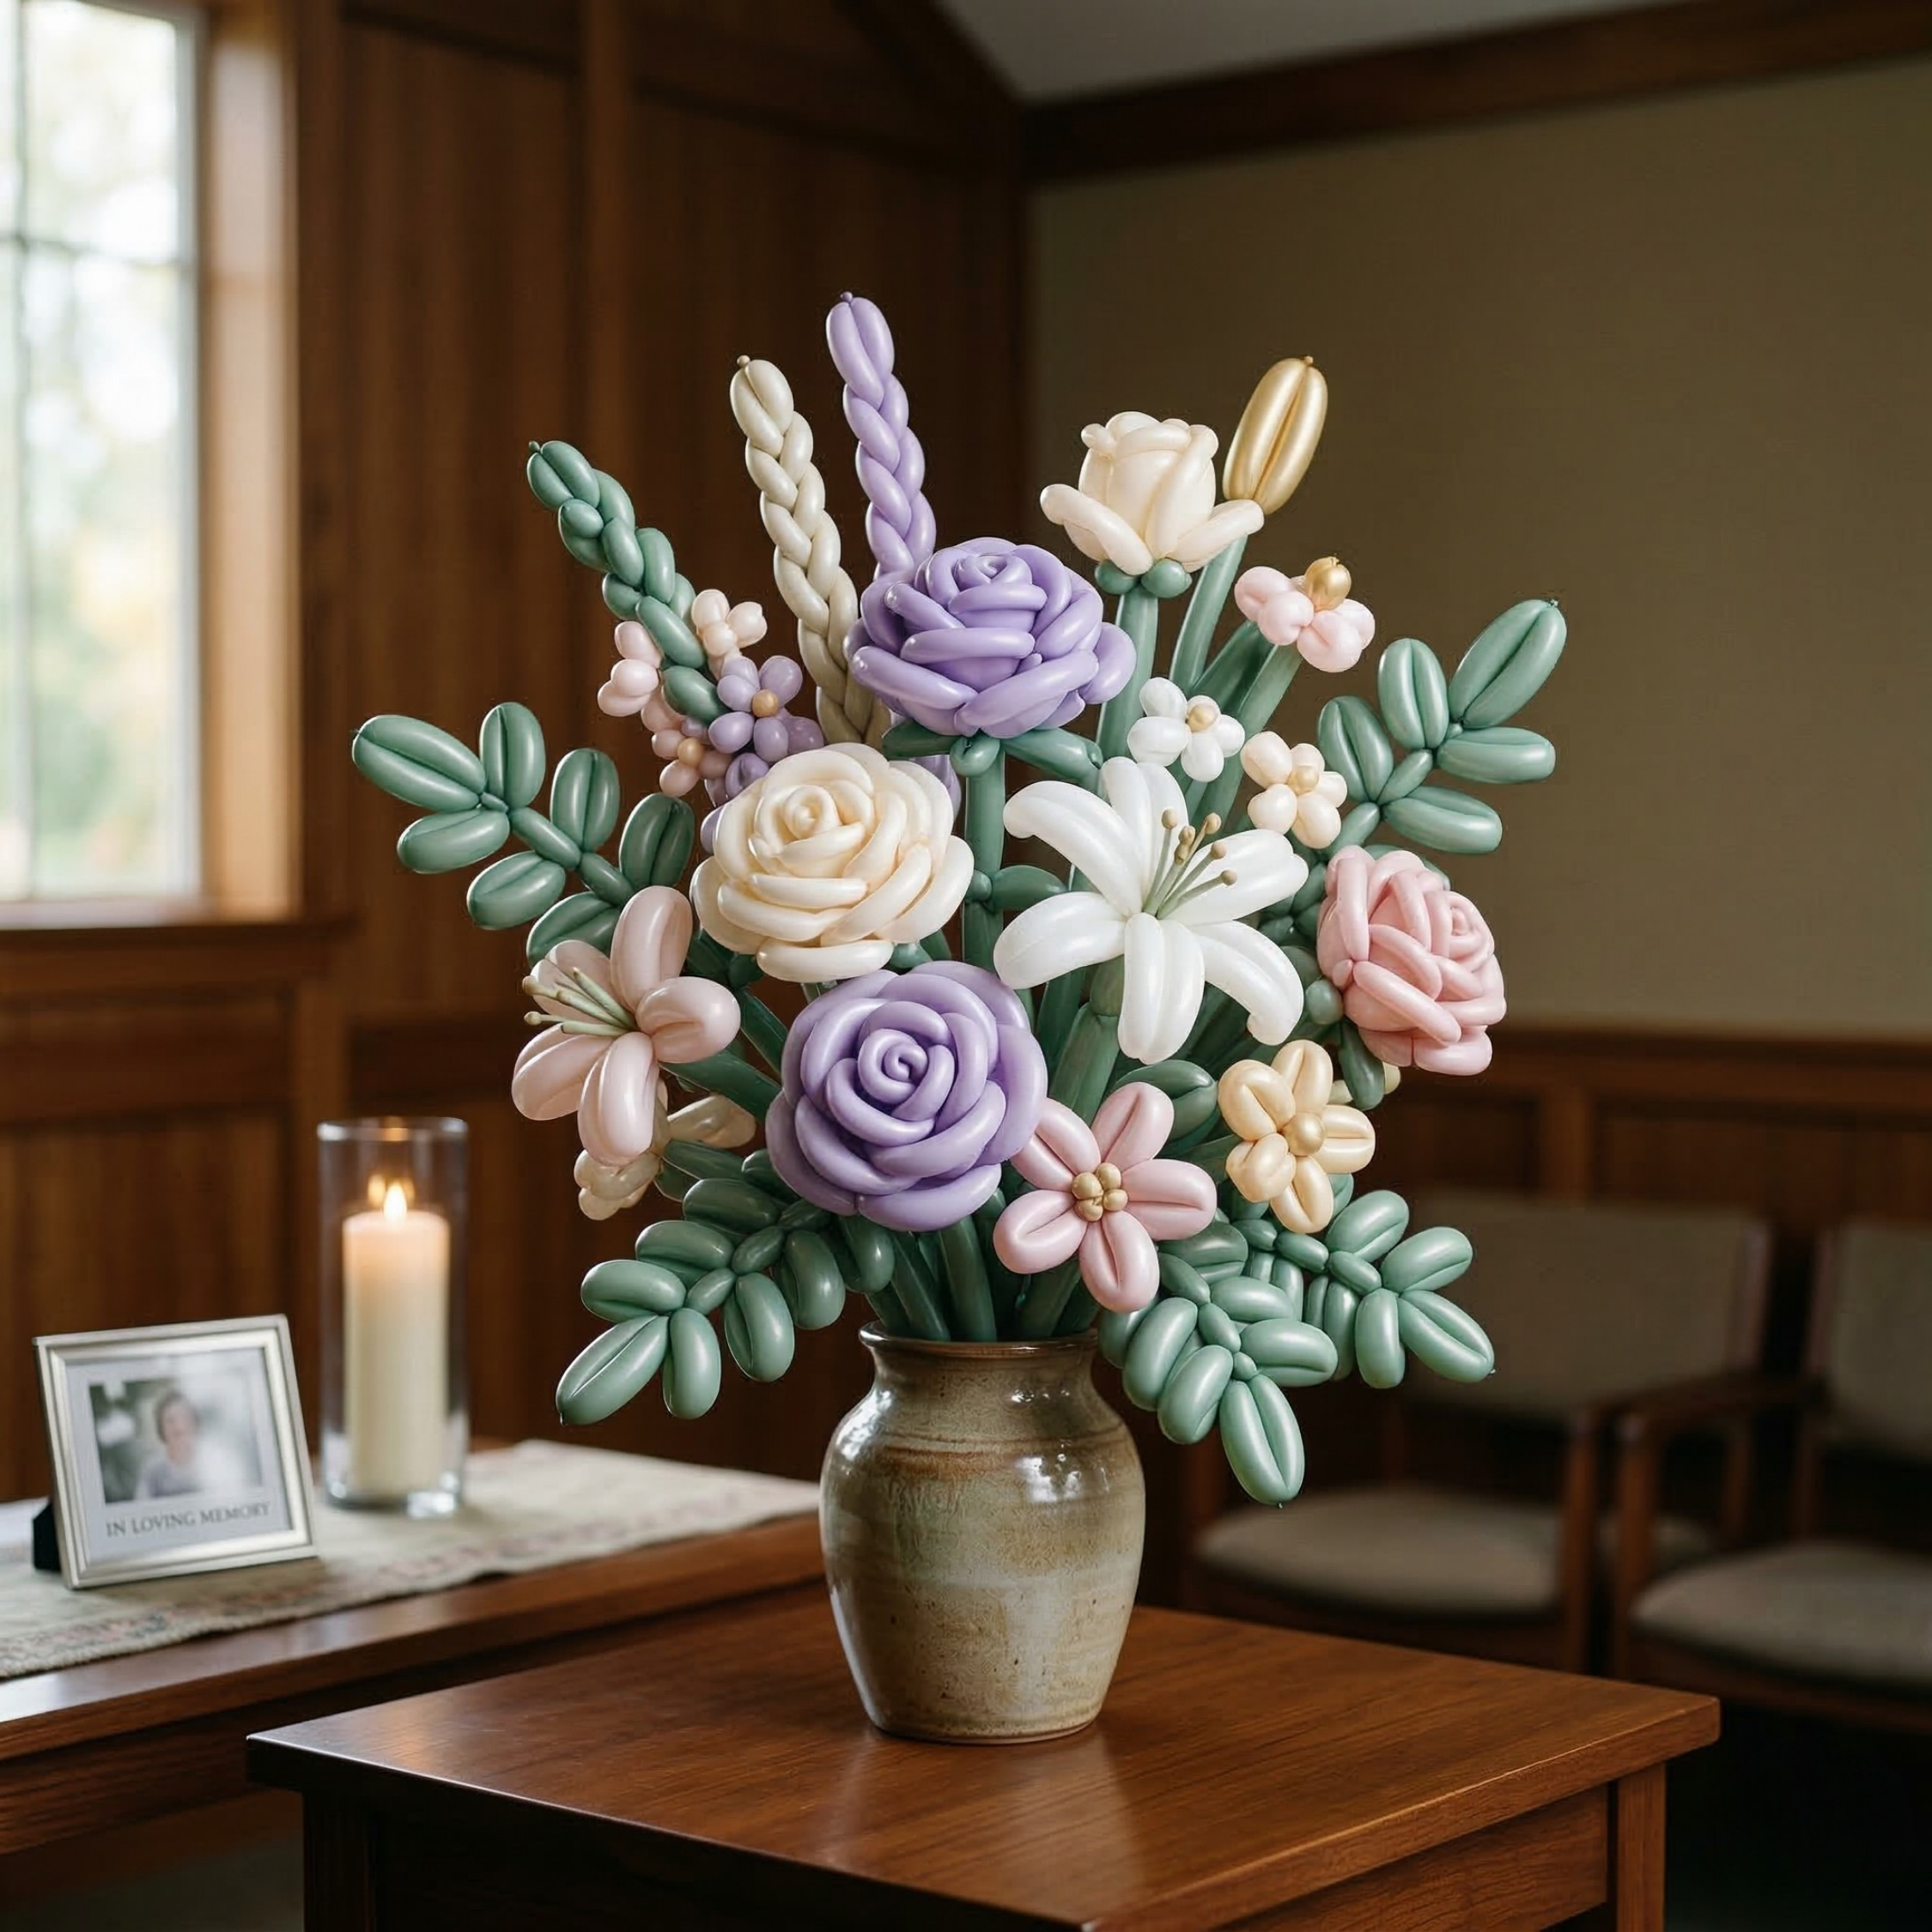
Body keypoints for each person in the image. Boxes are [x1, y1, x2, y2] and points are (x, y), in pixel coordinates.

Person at [134, 1388, 204, 1498]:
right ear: (161, 1429)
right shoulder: (152, 1473)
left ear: (195, 1422)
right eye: (170, 1421)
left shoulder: (214, 1463)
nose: (178, 1427)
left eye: (184, 1417)